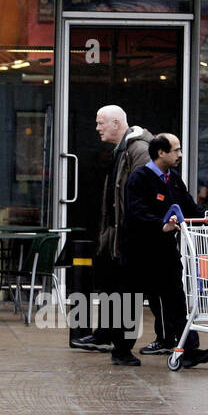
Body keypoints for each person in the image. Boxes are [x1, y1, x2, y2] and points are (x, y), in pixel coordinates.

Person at [123, 134, 208, 366]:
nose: (180, 155)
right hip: (139, 250)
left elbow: (187, 205)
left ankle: (188, 349)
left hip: (165, 249)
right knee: (132, 300)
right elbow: (136, 211)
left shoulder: (173, 179)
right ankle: (121, 349)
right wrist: (160, 224)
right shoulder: (140, 178)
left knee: (175, 297)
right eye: (175, 150)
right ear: (161, 153)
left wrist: (207, 216)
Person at [73, 104, 153, 365]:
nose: (97, 128)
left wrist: (127, 233)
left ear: (117, 123)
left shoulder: (137, 150)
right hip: (116, 236)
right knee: (113, 288)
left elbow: (141, 196)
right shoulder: (121, 151)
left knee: (131, 293)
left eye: (101, 123)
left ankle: (125, 347)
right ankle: (110, 338)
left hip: (131, 236)